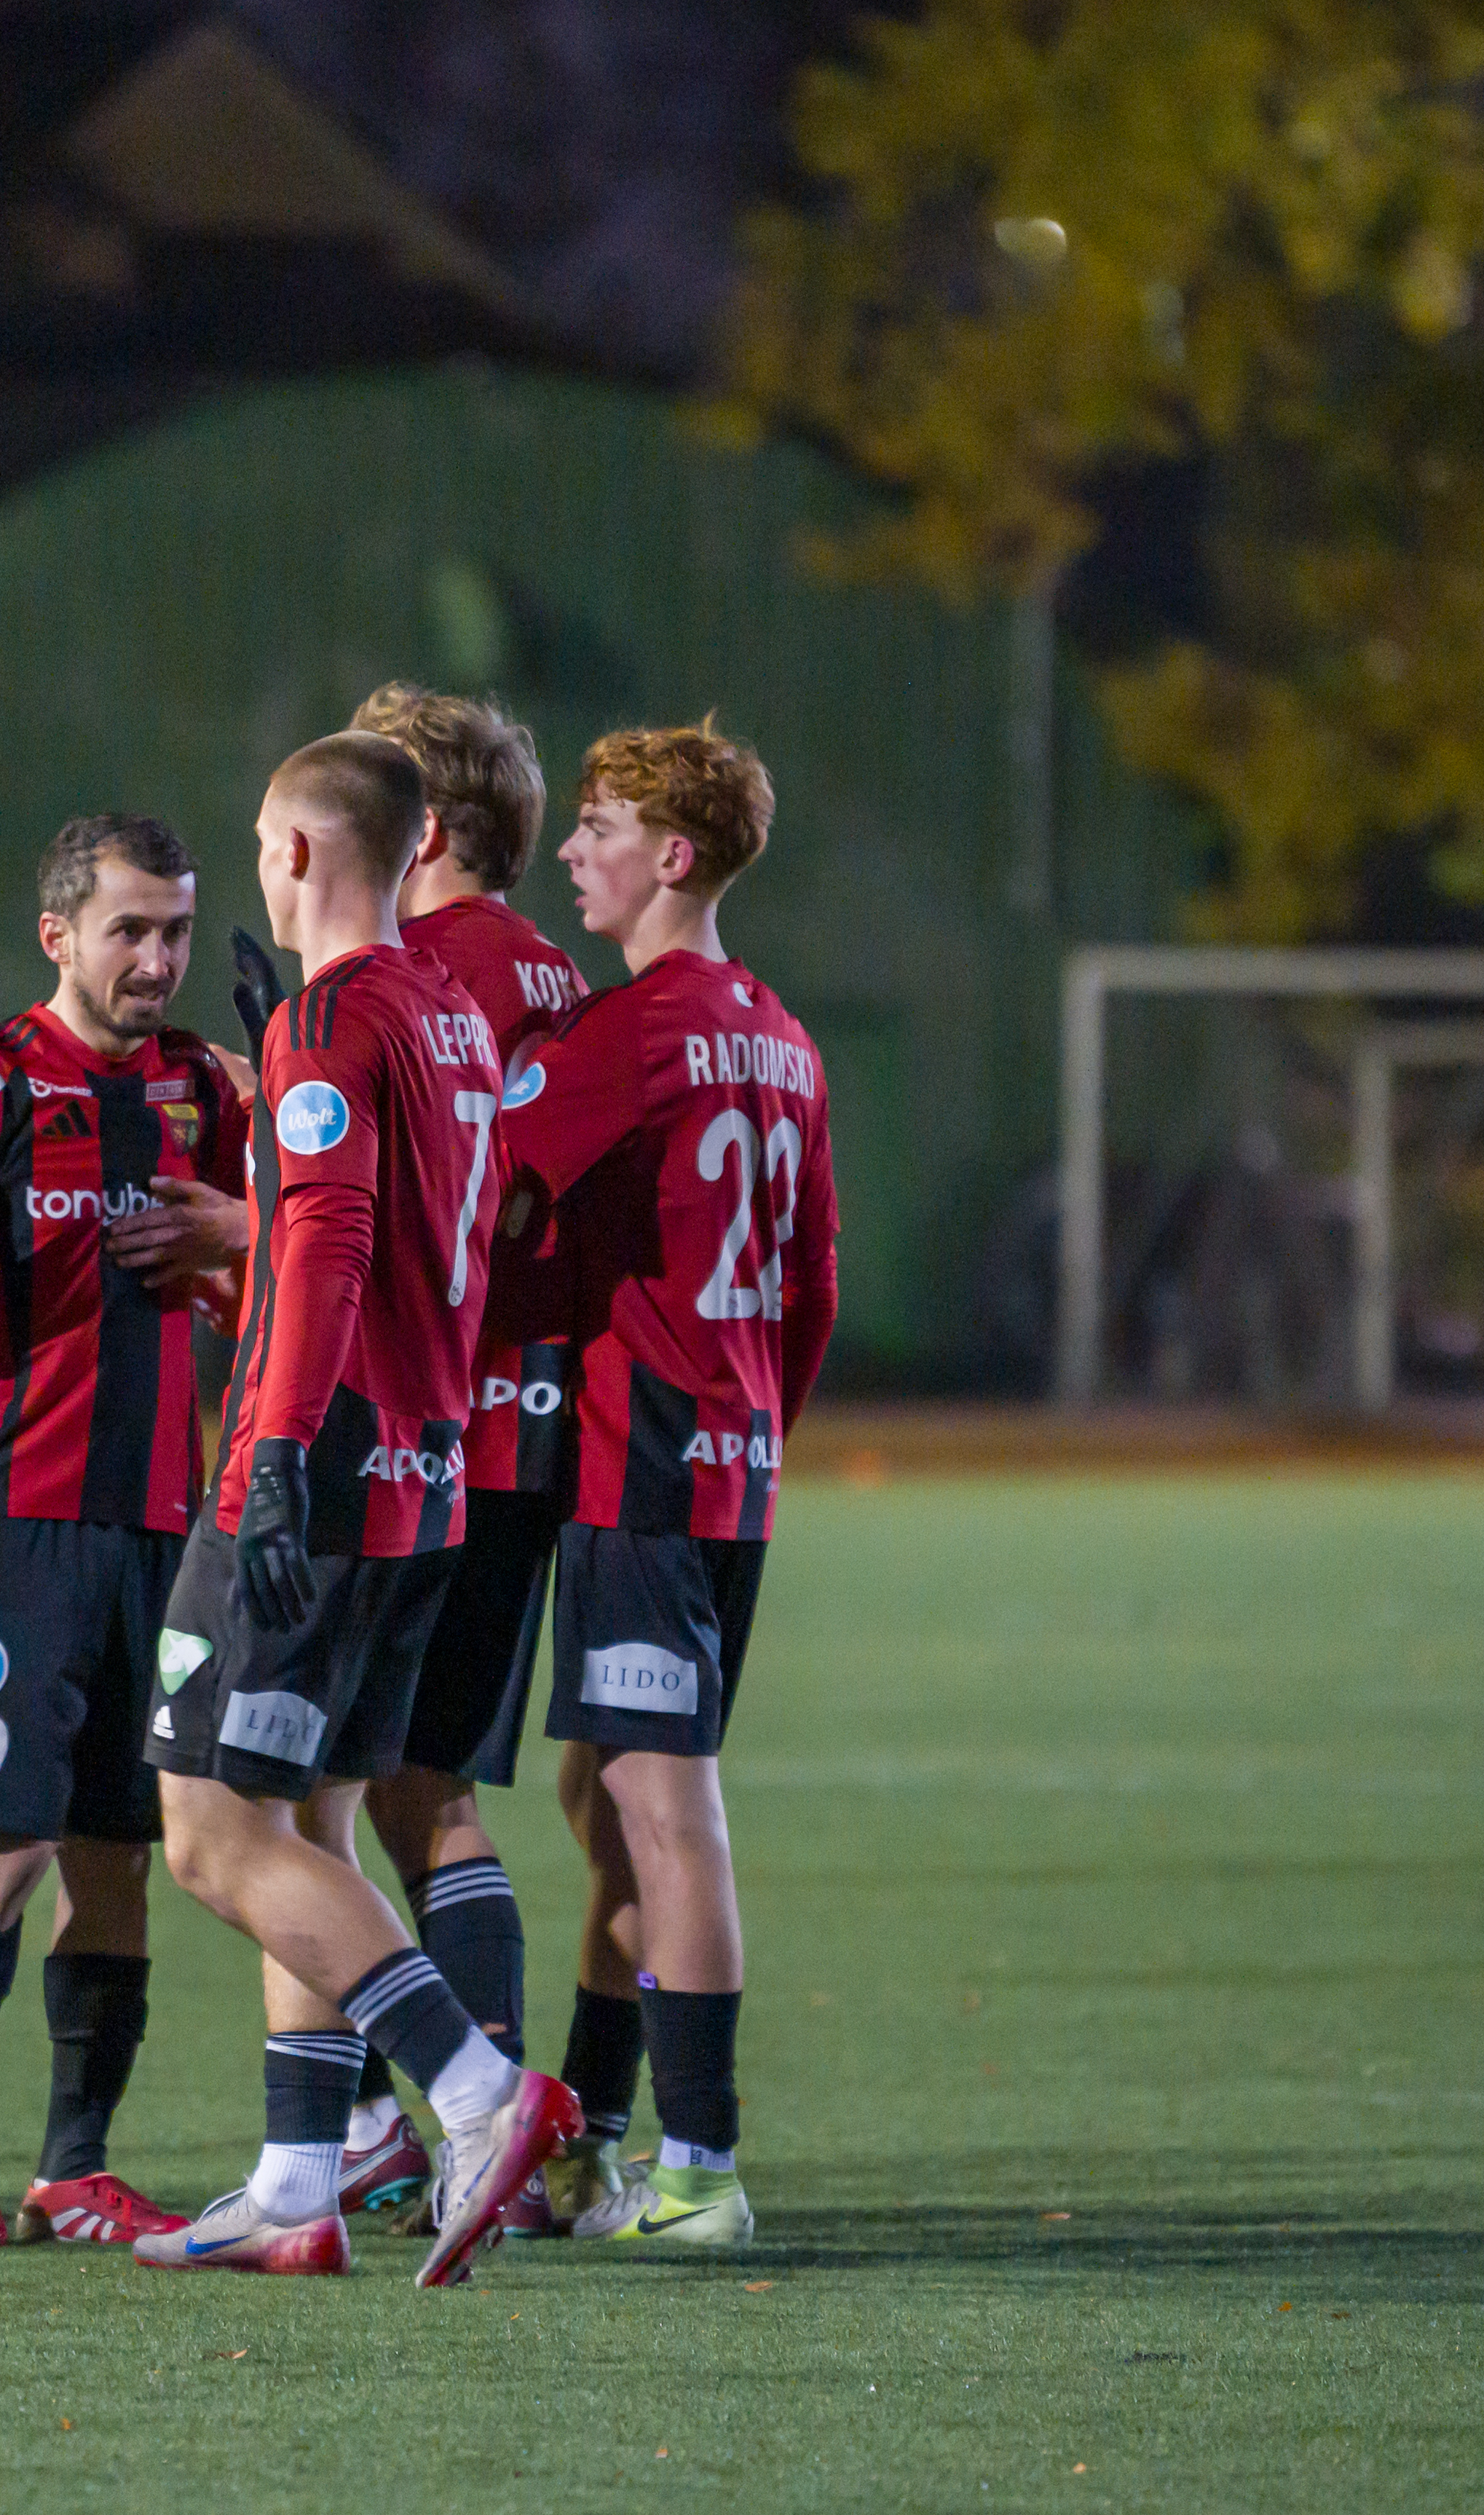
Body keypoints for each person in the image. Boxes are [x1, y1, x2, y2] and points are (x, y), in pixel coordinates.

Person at [134, 731, 580, 2288]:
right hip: (427, 1473)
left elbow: (319, 1245)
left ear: (304, 852)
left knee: (205, 1829)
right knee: (312, 1815)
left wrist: (271, 1443)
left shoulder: (332, 1017)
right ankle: (296, 2177)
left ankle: (477, 2090)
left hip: (315, 1475)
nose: (259, 859)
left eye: (263, 838)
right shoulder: (449, 1016)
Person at [0, 813, 249, 2250]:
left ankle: (76, 2159)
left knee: (119, 1846)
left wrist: (233, 1235)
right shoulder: (2, 1084)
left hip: (162, 1521)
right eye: (129, 930)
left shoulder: (192, 1092)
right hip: (11, 1522)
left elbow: (257, 1280)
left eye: (173, 930)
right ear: (57, 938)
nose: (157, 959)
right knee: (7, 1837)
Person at [494, 720, 835, 2248]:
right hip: (732, 1460)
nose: (575, 850)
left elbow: (479, 1199)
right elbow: (812, 1283)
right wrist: (750, 1419)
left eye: (602, 825)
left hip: (642, 1460)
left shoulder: (631, 1032)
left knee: (659, 1805)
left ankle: (699, 2169)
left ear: (673, 857)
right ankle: (594, 2136)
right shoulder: (781, 1035)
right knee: (602, 1795)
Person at [328, 683, 593, 2230]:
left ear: (414, 826)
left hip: (437, 1419)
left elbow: (446, 1207)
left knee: (343, 1790)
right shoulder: (553, 973)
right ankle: (448, 2115)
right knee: (420, 1779)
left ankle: (439, 2113)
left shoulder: (420, 969)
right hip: (536, 1421)